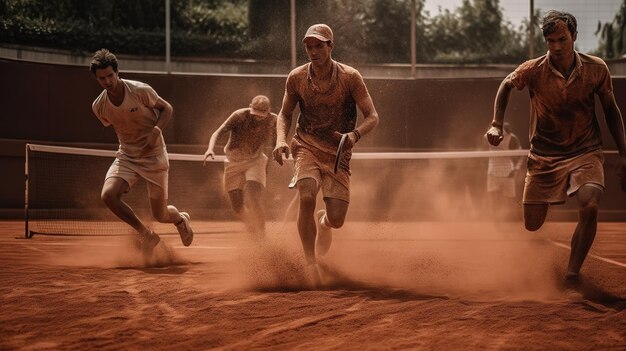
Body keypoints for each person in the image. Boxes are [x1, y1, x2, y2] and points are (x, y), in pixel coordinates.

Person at [485, 11, 626, 285]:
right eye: (550, 41)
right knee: (532, 223)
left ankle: (572, 273)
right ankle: (548, 198)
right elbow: (505, 85)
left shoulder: (597, 68)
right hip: (544, 157)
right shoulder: (533, 70)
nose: (557, 46)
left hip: (586, 152)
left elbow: (611, 109)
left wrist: (624, 152)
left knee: (589, 207)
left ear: (574, 36)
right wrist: (496, 124)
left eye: (562, 39)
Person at [273, 24, 380, 267]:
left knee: (337, 219)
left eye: (319, 45)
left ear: (331, 46)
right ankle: (310, 264)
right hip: (306, 145)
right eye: (309, 47)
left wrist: (354, 135)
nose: (313, 51)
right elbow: (284, 114)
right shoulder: (297, 77)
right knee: (307, 197)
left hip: (338, 151)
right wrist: (281, 140)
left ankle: (324, 224)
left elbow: (372, 116)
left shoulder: (350, 77)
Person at [90, 49, 194, 258]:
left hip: (154, 156)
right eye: (102, 78)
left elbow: (167, 108)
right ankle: (146, 234)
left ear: (117, 72)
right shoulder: (99, 106)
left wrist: (155, 133)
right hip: (127, 156)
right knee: (108, 195)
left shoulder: (140, 90)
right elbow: (122, 125)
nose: (107, 81)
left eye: (110, 75)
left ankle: (181, 219)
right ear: (97, 79)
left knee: (161, 214)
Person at [203, 95, 277, 238]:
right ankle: (252, 225)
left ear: (268, 111)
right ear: (250, 107)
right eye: (256, 114)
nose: (259, 118)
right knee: (237, 206)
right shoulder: (239, 116)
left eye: (262, 115)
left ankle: (262, 234)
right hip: (233, 161)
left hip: (255, 160)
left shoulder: (273, 120)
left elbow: (275, 143)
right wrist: (210, 149)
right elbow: (218, 132)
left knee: (254, 196)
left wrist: (272, 159)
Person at [486, 122, 523, 220]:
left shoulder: (512, 138)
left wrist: (516, 169)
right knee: (494, 201)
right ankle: (496, 223)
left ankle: (510, 222)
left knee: (509, 201)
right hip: (492, 173)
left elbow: (521, 154)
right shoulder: (487, 137)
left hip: (508, 173)